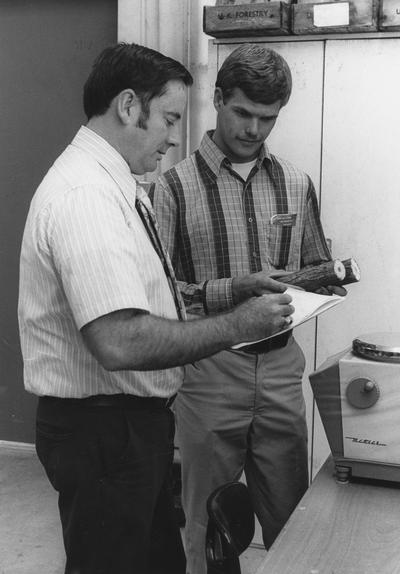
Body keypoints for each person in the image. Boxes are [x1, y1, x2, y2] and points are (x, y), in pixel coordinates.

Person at [17, 43, 295, 574]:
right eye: (169, 118)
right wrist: (239, 323)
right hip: (104, 432)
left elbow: (149, 302)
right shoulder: (85, 197)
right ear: (128, 106)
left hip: (125, 430)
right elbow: (119, 341)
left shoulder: (114, 185)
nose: (174, 137)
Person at [151, 43, 346, 574]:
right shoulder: (171, 188)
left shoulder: (295, 183)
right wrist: (237, 289)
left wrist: (324, 282)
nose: (254, 129)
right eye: (242, 112)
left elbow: (316, 264)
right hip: (209, 369)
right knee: (206, 528)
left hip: (282, 369)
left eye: (268, 118)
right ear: (217, 99)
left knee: (294, 520)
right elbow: (162, 297)